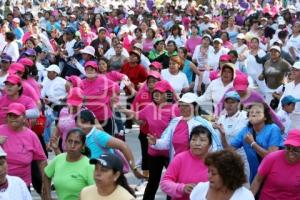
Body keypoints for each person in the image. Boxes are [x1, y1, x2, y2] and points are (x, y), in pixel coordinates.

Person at [220, 102, 283, 183]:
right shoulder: (245, 130)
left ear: (265, 117)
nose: (253, 114)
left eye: (258, 112)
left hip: (272, 177)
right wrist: (223, 135)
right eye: (251, 112)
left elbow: (271, 157)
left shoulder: (273, 129)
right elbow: (229, 149)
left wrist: (253, 144)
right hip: (255, 178)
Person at [148, 92, 222, 160]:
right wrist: (155, 142)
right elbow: (166, 143)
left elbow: (214, 148)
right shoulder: (175, 122)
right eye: (181, 105)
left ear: (195, 107)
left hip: (196, 166)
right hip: (176, 164)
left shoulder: (203, 124)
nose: (182, 108)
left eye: (186, 105)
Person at [76, 109, 144, 179]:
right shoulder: (80, 137)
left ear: (91, 123)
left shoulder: (97, 135)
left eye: (84, 122)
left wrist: (134, 170)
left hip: (108, 179)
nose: (81, 125)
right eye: (78, 123)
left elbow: (123, 146)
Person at [0, 103, 48, 196]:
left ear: (24, 117)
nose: (13, 118)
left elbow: (42, 160)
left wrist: (45, 183)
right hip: (1, 182)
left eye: (16, 115)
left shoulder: (31, 136)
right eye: (10, 115)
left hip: (22, 185)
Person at [160, 125, 212, 200]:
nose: (197, 143)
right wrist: (182, 188)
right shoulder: (180, 158)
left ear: (210, 144)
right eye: (194, 139)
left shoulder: (215, 161)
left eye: (202, 140)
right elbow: (164, 183)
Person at [44, 129, 95, 200]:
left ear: (83, 146)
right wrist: (47, 196)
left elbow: (96, 193)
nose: (72, 145)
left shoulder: (89, 166)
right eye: (70, 141)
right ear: (65, 142)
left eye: (77, 142)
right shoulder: (59, 159)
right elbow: (46, 175)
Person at [250, 129, 300, 200]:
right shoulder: (272, 158)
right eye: (288, 148)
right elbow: (257, 180)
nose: (290, 152)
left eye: (295, 149)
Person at [190, 149, 255, 200]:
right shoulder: (200, 189)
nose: (209, 176)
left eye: (213, 173)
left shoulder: (245, 197)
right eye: (208, 171)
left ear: (227, 175)